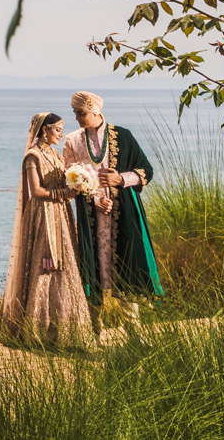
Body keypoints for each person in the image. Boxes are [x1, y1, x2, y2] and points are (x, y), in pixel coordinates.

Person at [59, 91, 163, 312]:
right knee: (92, 270)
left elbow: (146, 170)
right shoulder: (73, 140)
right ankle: (95, 330)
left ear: (95, 110)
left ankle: (132, 330)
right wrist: (95, 198)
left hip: (122, 213)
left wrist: (121, 179)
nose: (77, 118)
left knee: (126, 266)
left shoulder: (123, 136)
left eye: (81, 113)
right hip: (90, 217)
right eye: (75, 113)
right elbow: (69, 177)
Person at [1, 111, 92, 341]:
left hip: (60, 213)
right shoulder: (33, 157)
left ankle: (65, 330)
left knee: (66, 266)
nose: (61, 135)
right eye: (57, 130)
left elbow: (65, 180)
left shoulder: (56, 155)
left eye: (62, 130)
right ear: (45, 130)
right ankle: (37, 331)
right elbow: (37, 191)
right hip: (43, 214)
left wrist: (81, 181)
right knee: (45, 265)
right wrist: (66, 193)